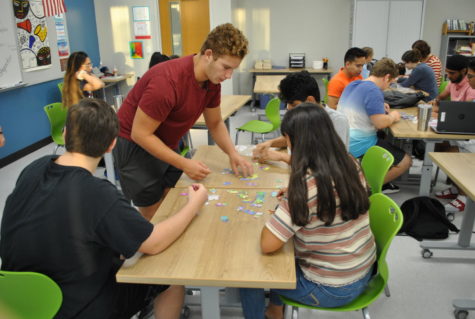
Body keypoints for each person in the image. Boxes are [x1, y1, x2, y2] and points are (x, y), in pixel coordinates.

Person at [0, 98, 209, 319]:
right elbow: (154, 243)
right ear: (112, 144)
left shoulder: (34, 168)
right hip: (74, 307)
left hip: (19, 298)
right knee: (168, 275)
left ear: (65, 133)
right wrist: (194, 203)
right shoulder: (98, 193)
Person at [240, 105, 376, 319]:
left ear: (295, 141)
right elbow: (326, 194)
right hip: (362, 271)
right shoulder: (349, 162)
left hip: (330, 288)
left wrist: (291, 199)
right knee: (285, 254)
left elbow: (268, 245)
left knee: (247, 275)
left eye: (287, 140)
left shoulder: (305, 187)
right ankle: (275, 311)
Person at [114, 23, 253, 221]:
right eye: (226, 67)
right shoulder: (167, 82)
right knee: (154, 216)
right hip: (135, 146)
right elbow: (141, 134)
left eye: (233, 69)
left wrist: (233, 153)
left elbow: (214, 123)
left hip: (165, 143)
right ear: (208, 54)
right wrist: (184, 163)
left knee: (173, 199)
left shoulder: (212, 81)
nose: (228, 76)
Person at [337, 58, 412, 194]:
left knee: (384, 139)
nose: (388, 87)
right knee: (405, 161)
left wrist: (379, 107)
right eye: (390, 82)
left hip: (341, 139)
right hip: (358, 143)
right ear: (387, 77)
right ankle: (367, 187)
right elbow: (380, 123)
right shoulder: (374, 91)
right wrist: (394, 116)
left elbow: (359, 107)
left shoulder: (354, 85)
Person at [252, 71, 349, 164]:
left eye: (293, 104)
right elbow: (293, 139)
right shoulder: (301, 115)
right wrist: (270, 143)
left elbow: (333, 162)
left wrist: (283, 157)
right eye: (287, 103)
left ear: (310, 100)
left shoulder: (337, 121)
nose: (289, 108)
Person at [434, 58, 475, 213]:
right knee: (439, 147)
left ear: (464, 72)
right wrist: (437, 102)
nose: (468, 79)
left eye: (470, 76)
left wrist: (441, 111)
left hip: (471, 139)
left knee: (449, 154)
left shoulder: (471, 89)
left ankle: (464, 197)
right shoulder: (455, 82)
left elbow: (465, 113)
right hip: (463, 134)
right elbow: (444, 99)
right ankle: (456, 188)